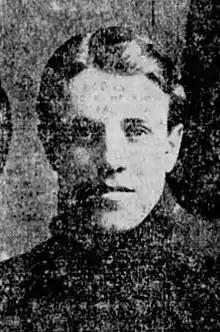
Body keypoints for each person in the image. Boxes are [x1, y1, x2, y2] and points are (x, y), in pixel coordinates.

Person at [0, 26, 219, 331]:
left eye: (136, 131)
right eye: (84, 133)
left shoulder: (210, 292)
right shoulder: (8, 293)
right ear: (52, 147)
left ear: (171, 147)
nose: (111, 159)